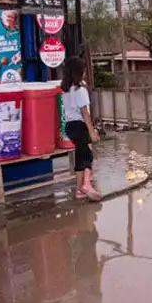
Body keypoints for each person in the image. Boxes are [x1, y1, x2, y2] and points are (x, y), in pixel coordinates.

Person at [61, 57, 101, 201]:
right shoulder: (80, 90)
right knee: (88, 156)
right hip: (80, 125)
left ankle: (79, 191)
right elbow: (85, 113)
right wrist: (92, 131)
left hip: (69, 126)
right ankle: (86, 185)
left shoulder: (66, 89)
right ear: (79, 71)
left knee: (80, 156)